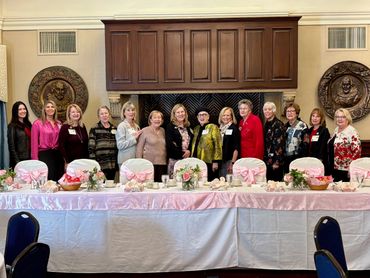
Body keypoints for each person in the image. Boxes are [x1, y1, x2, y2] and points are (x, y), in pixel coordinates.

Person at [31, 100, 64, 181]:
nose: (50, 109)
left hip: (58, 155)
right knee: (49, 181)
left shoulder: (59, 123)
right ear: (44, 109)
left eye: (52, 107)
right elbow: (34, 143)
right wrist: (35, 161)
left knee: (59, 180)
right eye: (48, 107)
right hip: (44, 155)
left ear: (55, 109)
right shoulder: (37, 123)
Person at [328, 108, 361, 182]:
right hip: (333, 167)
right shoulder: (336, 130)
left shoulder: (352, 131)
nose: (340, 119)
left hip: (345, 169)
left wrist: (352, 168)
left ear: (347, 119)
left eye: (343, 117)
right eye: (338, 117)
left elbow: (357, 152)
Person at [191, 107, 222, 181]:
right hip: (196, 161)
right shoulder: (196, 129)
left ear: (208, 117)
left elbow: (218, 145)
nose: (202, 117)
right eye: (200, 115)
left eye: (204, 114)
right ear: (197, 117)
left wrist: (215, 161)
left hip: (209, 161)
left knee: (210, 182)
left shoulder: (213, 127)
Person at [136, 110, 167, 182]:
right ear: (150, 119)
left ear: (162, 120)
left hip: (162, 163)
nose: (157, 119)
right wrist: (140, 163)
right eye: (155, 117)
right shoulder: (144, 130)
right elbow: (139, 148)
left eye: (159, 118)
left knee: (160, 186)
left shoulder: (163, 131)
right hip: (148, 164)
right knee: (149, 186)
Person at [88, 106, 118, 180]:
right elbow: (91, 148)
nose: (104, 115)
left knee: (110, 185)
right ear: (98, 116)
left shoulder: (114, 128)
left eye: (106, 113)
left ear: (109, 114)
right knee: (102, 186)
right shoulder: (94, 128)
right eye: (102, 114)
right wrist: (94, 164)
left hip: (112, 163)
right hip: (100, 164)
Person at [166, 104, 193, 178]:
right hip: (175, 160)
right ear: (174, 114)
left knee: (187, 182)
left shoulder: (188, 126)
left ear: (185, 113)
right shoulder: (170, 127)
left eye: (182, 112)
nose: (180, 114)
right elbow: (170, 144)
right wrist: (183, 153)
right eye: (178, 112)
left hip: (187, 160)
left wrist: (189, 151)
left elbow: (192, 142)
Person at [58, 104, 89, 168]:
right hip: (71, 161)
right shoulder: (65, 127)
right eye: (73, 112)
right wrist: (66, 161)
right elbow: (61, 146)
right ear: (69, 114)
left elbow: (86, 144)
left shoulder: (82, 126)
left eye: (78, 112)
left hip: (83, 160)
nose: (76, 114)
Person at [262, 102, 285, 181]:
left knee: (275, 186)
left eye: (269, 109)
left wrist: (277, 162)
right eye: (265, 109)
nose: (267, 111)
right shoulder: (266, 124)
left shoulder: (278, 124)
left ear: (274, 111)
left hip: (275, 162)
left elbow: (280, 144)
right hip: (267, 161)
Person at [304, 108, 330, 174]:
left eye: (317, 116)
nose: (315, 118)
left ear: (321, 119)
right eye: (313, 116)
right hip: (308, 161)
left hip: (319, 161)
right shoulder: (308, 131)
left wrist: (319, 160)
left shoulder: (324, 131)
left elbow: (323, 147)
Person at [116, 101, 142, 167]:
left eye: (133, 110)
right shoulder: (122, 126)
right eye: (128, 110)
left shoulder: (137, 126)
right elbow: (120, 145)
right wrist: (134, 139)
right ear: (124, 113)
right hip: (125, 161)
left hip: (135, 160)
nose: (131, 112)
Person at [284, 103, 308, 173]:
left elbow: (306, 144)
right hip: (286, 159)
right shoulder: (285, 126)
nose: (289, 113)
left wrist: (302, 159)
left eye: (292, 111)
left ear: (297, 113)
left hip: (298, 158)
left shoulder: (302, 125)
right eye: (288, 111)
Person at [7, 101, 32, 168]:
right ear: (15, 112)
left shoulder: (29, 125)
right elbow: (11, 147)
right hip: (19, 161)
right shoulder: (12, 126)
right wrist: (18, 163)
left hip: (29, 159)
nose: (23, 111)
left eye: (24, 109)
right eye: (19, 109)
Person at [218, 107, 239, 178]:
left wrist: (232, 163)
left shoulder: (234, 128)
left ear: (231, 116)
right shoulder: (220, 128)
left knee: (227, 183)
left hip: (229, 161)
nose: (225, 117)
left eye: (228, 115)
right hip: (221, 160)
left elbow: (236, 148)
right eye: (223, 115)